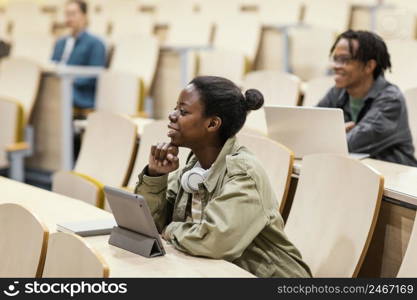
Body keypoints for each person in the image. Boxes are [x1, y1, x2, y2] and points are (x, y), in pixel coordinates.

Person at [135, 76, 311, 278]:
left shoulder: (243, 173)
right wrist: (156, 176)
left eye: (182, 111)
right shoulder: (194, 165)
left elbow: (213, 241)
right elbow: (149, 225)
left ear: (212, 124)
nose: (172, 115)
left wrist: (170, 229)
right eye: (175, 108)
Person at [318, 30, 417, 167]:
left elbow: (349, 144)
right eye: (335, 59)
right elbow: (307, 129)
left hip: (393, 179)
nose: (335, 66)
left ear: (369, 66)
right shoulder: (337, 92)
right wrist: (333, 134)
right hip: (355, 173)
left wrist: (330, 134)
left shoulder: (391, 100)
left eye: (344, 60)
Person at [51, 0, 106, 110]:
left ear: (84, 16)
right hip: (58, 87)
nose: (69, 18)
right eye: (67, 14)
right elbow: (52, 65)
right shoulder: (60, 42)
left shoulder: (96, 44)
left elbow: (95, 75)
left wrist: (68, 81)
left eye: (73, 14)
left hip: (80, 94)